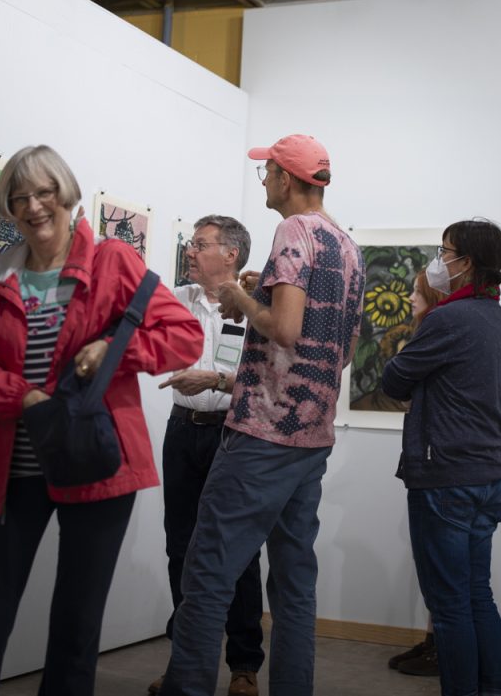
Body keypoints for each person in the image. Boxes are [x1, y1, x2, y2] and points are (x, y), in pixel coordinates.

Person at [0, 145, 203, 696]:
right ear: (9, 209)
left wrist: (114, 348)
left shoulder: (112, 260)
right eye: (20, 197)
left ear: (66, 194)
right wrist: (26, 399)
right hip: (13, 469)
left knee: (76, 624)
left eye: (45, 192)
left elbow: (184, 334)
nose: (35, 205)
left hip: (98, 463)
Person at [159, 134, 366, 696]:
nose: (266, 181)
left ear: (288, 178)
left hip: (264, 433)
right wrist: (262, 292)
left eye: (268, 171)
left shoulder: (293, 231)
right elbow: (339, 347)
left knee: (206, 572)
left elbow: (288, 331)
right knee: (295, 583)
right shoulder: (346, 245)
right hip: (312, 435)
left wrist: (242, 300)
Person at [381, 219, 501, 696]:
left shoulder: (448, 320)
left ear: (469, 263)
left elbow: (393, 379)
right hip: (488, 473)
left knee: (450, 604)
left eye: (446, 253)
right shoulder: (499, 319)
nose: (438, 262)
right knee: (478, 593)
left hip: (446, 476)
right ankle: (494, 689)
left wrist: (419, 341)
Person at [151, 215, 264, 696]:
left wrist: (216, 380)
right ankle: (184, 663)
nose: (190, 252)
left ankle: (244, 667)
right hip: (182, 433)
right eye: (190, 244)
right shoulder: (177, 299)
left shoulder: (261, 308)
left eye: (200, 244)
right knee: (181, 548)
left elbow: (266, 381)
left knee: (236, 552)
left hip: (233, 435)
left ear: (231, 254)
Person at [386, 272, 445, 678]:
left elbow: (395, 381)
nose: (409, 297)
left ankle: (440, 647)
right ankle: (432, 642)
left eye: (416, 291)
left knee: (439, 563)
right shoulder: (435, 331)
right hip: (434, 458)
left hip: (437, 463)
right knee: (434, 562)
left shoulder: (439, 331)